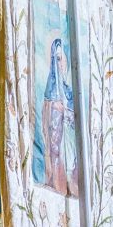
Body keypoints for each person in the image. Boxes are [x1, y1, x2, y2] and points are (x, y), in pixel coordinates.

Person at [35, 37, 77, 197]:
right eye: (58, 59)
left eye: (63, 59)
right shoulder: (51, 91)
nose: (62, 63)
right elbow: (49, 122)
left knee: (73, 163)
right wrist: (58, 110)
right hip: (58, 142)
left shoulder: (69, 90)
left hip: (70, 139)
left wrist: (69, 114)